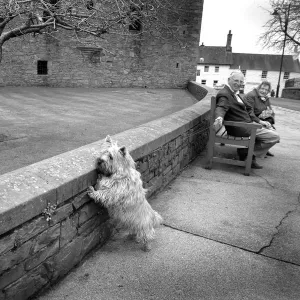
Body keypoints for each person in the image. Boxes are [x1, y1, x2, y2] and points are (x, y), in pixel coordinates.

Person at [213, 71, 280, 169]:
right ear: (228, 80)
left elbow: (248, 109)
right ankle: (248, 153)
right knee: (274, 137)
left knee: (271, 130)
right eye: (236, 80)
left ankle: (247, 153)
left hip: (247, 124)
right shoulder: (225, 94)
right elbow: (221, 107)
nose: (238, 83)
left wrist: (259, 121)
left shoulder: (233, 93)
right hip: (243, 128)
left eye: (241, 81)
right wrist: (219, 118)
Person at [244, 81, 277, 157]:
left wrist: (270, 120)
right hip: (250, 121)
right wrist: (261, 121)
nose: (264, 91)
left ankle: (264, 149)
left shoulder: (265, 98)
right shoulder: (251, 95)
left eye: (266, 90)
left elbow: (271, 111)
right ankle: (256, 151)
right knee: (273, 135)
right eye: (262, 88)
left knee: (272, 129)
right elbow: (249, 113)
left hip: (260, 120)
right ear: (259, 88)